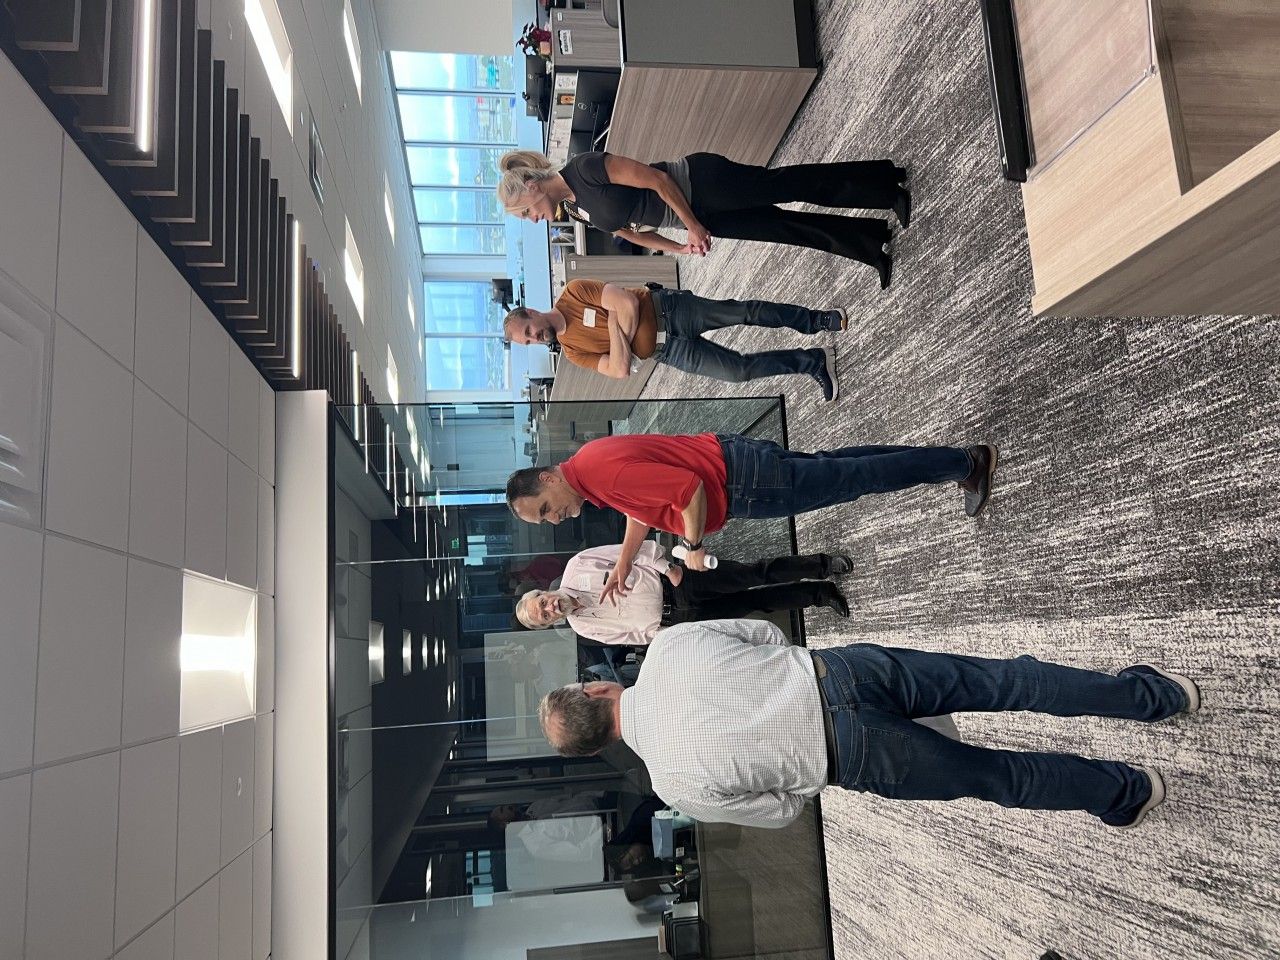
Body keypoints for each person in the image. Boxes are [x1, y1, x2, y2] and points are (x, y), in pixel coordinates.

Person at [537, 618, 1201, 829]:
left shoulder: (677, 788)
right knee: (1004, 680)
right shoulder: (670, 650)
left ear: (604, 745)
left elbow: (785, 812)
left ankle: (1128, 792)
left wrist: (798, 757)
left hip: (850, 756)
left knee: (1002, 777)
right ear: (599, 688)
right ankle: (1155, 697)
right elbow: (766, 632)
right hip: (842, 673)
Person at [505, 432, 997, 603]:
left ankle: (964, 463)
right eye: (544, 522)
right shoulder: (590, 470)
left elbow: (687, 492)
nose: (554, 520)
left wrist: (694, 549)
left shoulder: (600, 476)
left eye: (545, 510)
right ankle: (952, 461)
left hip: (738, 482)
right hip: (735, 462)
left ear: (549, 478)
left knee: (854, 476)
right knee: (844, 467)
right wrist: (624, 563)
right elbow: (643, 509)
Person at [496, 149, 909, 288]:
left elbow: (656, 179)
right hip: (696, 217)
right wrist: (681, 244)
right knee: (785, 229)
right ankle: (873, 245)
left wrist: (691, 222)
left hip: (702, 184)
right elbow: (632, 234)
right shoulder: (573, 210)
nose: (533, 220)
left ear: (532, 188)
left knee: (792, 185)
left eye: (526, 213)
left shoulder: (584, 169)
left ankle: (886, 184)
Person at [503, 278, 843, 401]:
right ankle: (811, 361)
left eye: (530, 331)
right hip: (670, 352)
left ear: (532, 312)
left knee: (744, 312)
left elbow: (628, 302)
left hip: (671, 309)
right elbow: (619, 370)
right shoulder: (573, 352)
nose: (536, 338)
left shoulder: (574, 293)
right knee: (739, 372)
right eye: (529, 342)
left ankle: (814, 320)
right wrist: (615, 326)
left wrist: (618, 333)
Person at [514, 541, 853, 644]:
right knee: (756, 603)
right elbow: (632, 636)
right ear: (549, 625)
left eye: (541, 603)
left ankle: (822, 565)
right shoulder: (582, 627)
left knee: (753, 573)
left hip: (677, 581)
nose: (549, 608)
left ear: (543, 591)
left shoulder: (576, 565)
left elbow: (628, 551)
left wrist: (668, 568)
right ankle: (820, 595)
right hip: (679, 618)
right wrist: (668, 634)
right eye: (544, 617)